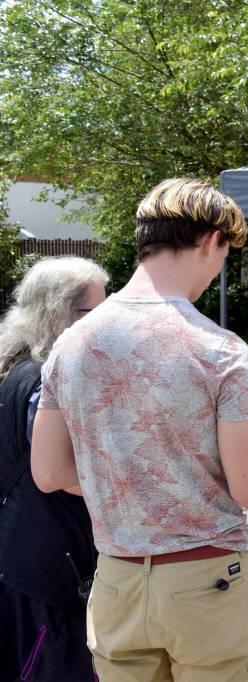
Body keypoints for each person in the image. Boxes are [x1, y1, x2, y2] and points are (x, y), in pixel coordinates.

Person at [31, 178, 248, 680]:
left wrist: (125, 480)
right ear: (210, 241)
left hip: (117, 582)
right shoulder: (220, 350)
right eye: (225, 252)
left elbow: (49, 472)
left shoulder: (70, 344)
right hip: (208, 583)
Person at [0, 256, 108, 681]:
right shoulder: (43, 379)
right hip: (47, 566)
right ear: (61, 313)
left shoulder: (14, 363)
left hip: (23, 557)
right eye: (95, 312)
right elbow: (59, 472)